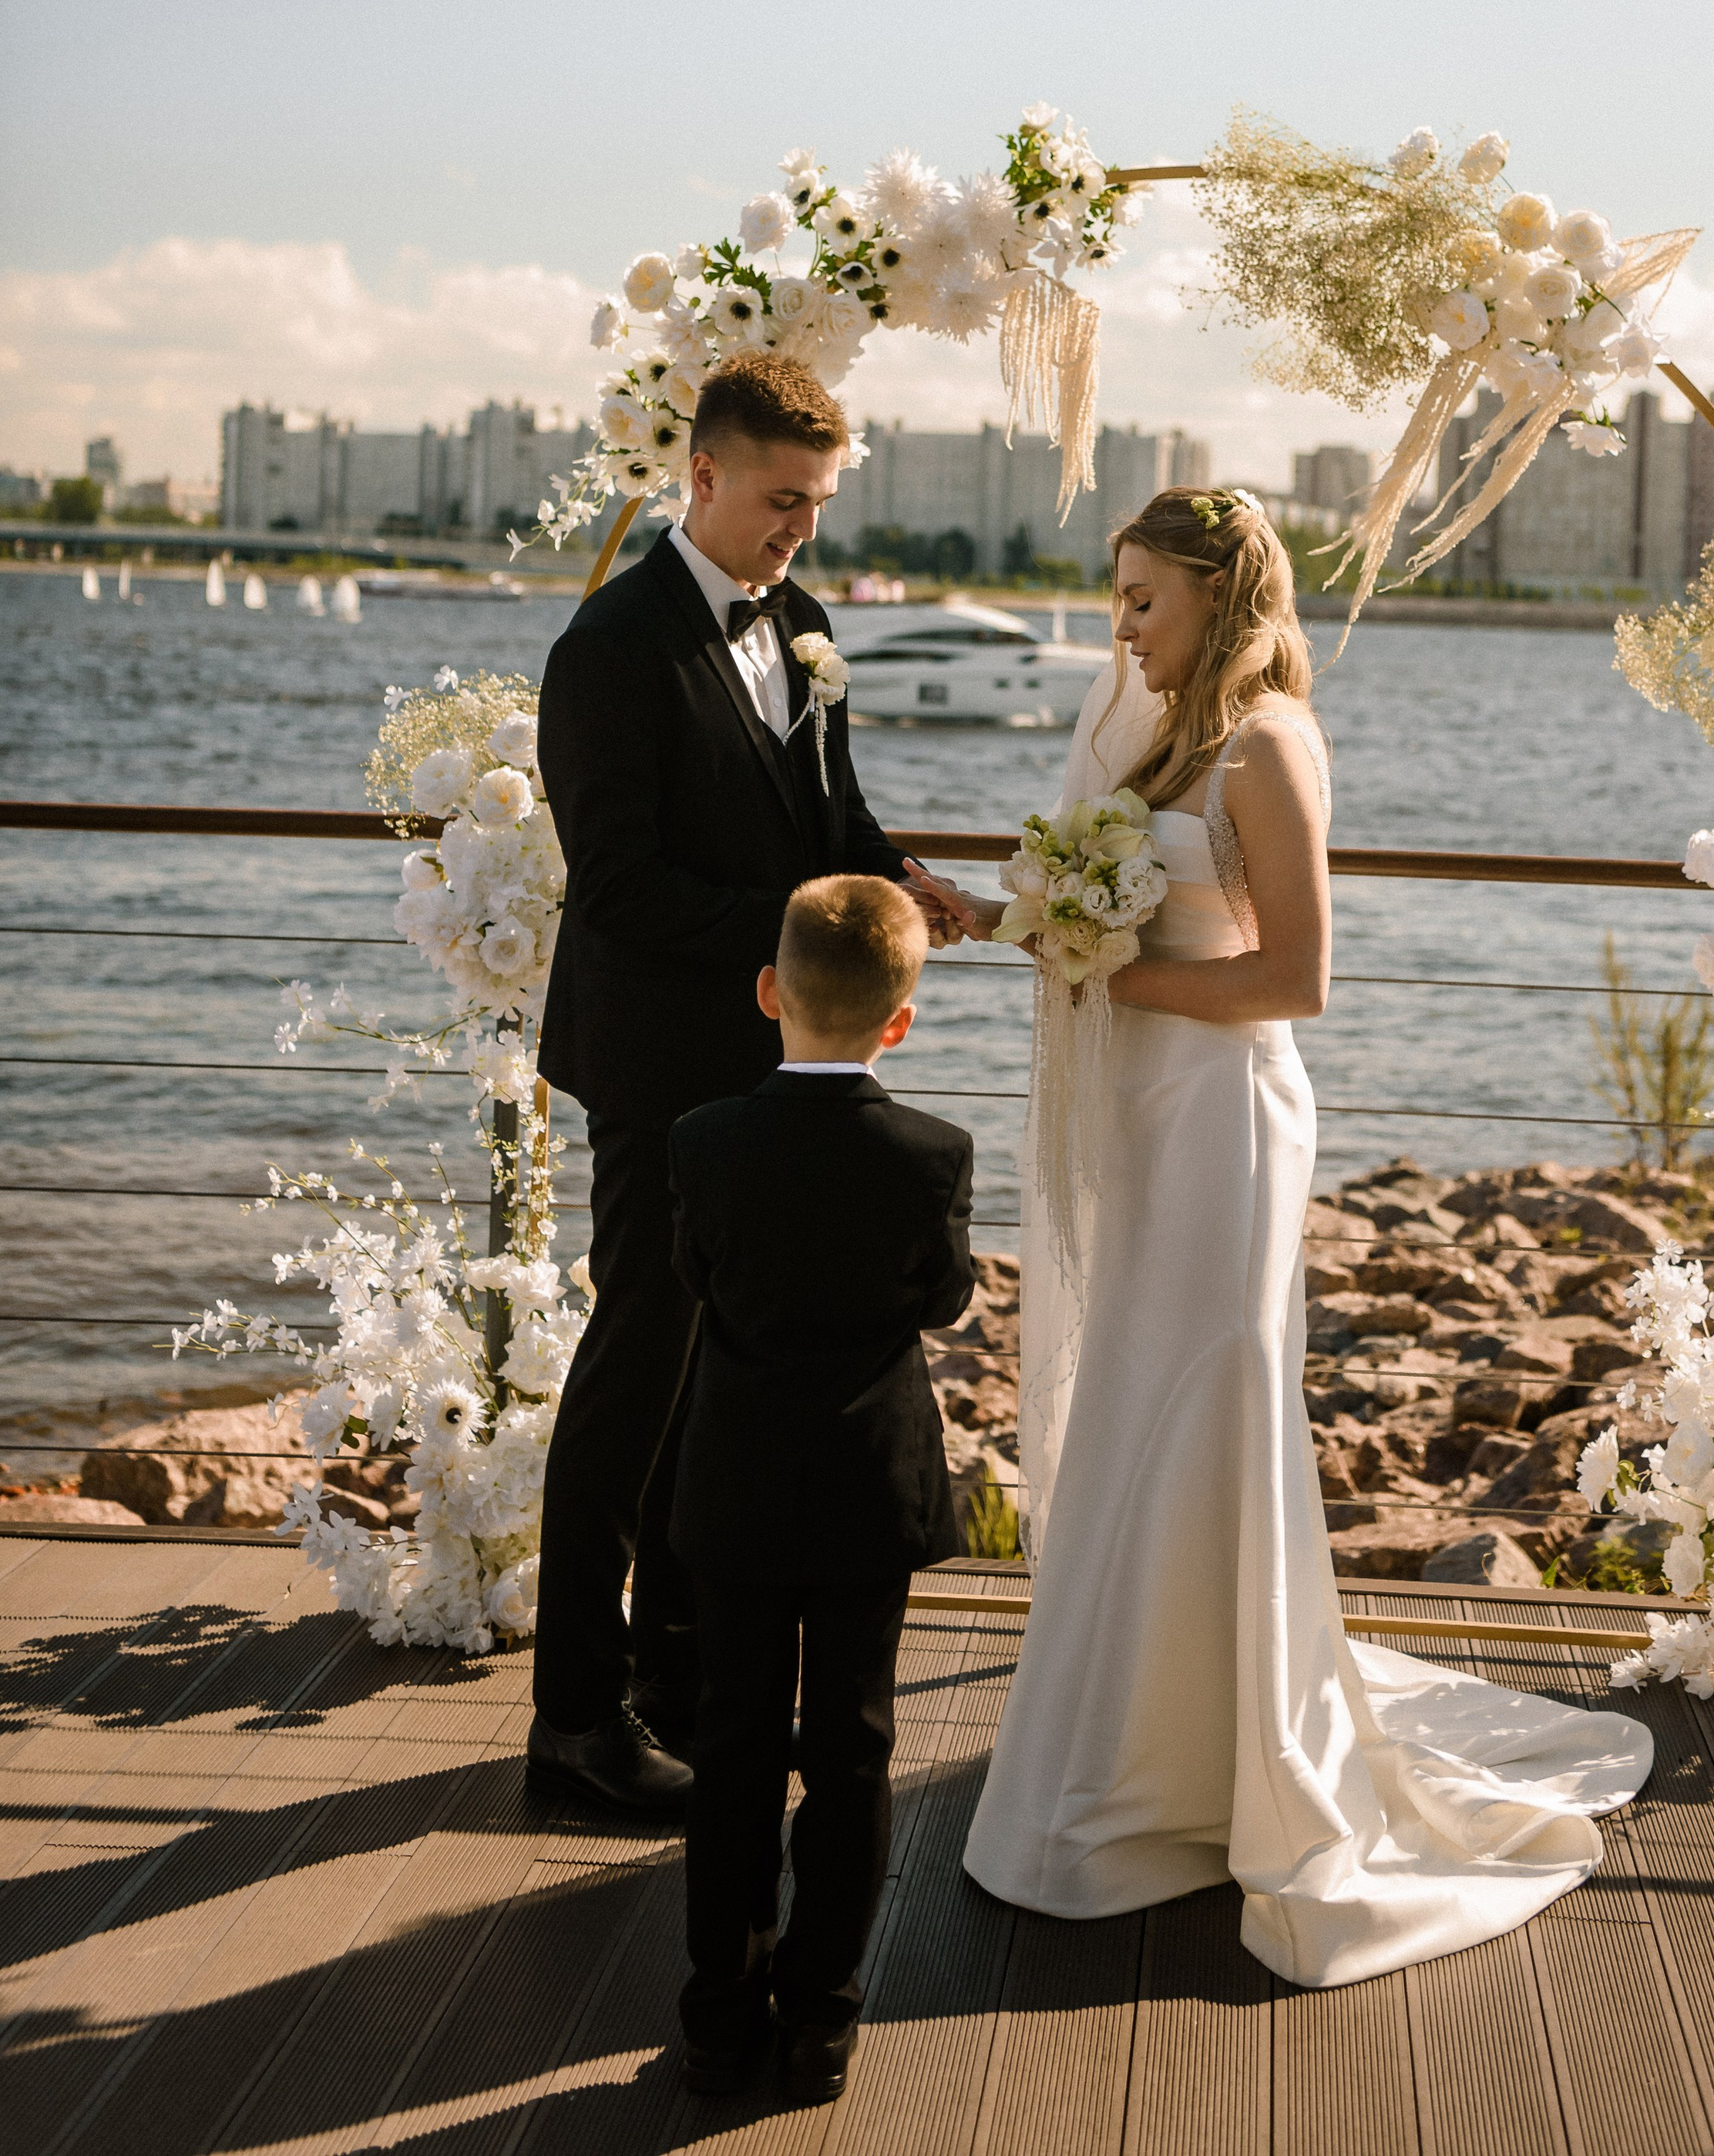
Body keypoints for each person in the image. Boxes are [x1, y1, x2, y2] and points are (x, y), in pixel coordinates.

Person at [958, 488, 1653, 1986]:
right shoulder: (1156, 733)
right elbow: (1118, 916)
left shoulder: (1266, 744)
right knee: (1132, 1399)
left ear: (1215, 594)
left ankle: (1208, 1767)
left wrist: (1105, 972)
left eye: (1143, 596)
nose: (1121, 625)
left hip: (1223, 1119)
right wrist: (1014, 922)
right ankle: (1134, 1740)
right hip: (1143, 1109)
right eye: (1118, 594)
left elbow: (1296, 979)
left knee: (1197, 1403)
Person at [525, 351, 966, 1812]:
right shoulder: (610, 648)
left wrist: (901, 884)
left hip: (776, 1062)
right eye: (784, 500)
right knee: (635, 1376)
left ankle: (680, 1685)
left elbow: (828, 817)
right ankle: (574, 1721)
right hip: (659, 1065)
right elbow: (621, 886)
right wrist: (800, 935)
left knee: (713, 1380)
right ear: (702, 476)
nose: (804, 529)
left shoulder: (810, 625)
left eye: (820, 502)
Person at [669, 873, 974, 2106]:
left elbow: (699, 1277)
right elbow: (942, 1298)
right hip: (866, 1483)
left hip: (737, 1479)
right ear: (901, 1020)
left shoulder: (702, 1140)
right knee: (852, 1747)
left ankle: (718, 2014)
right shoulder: (932, 1154)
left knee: (732, 1742)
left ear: (767, 992)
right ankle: (821, 2019)